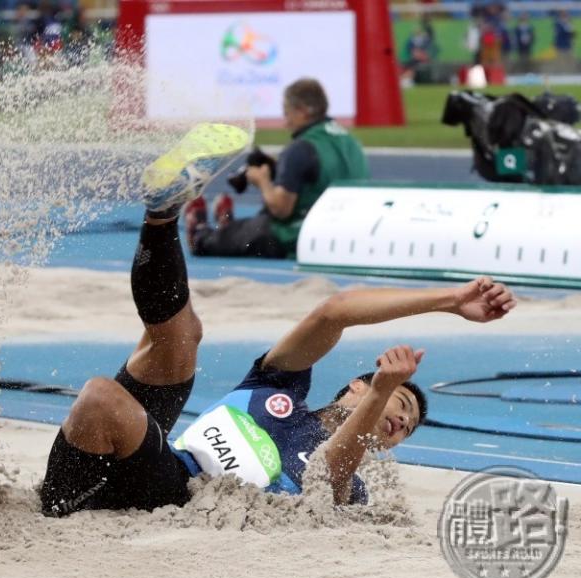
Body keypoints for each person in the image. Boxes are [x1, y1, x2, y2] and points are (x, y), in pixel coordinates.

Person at [39, 124, 516, 516]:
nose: (401, 422)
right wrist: (450, 300)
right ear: (353, 386)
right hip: (161, 456)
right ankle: (161, 213)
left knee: (101, 396)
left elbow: (329, 475)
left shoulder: (351, 483)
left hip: (172, 492)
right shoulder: (279, 386)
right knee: (181, 336)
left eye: (406, 428)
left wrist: (382, 391)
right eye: (401, 405)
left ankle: (59, 506)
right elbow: (334, 312)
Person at [185, 79, 368, 259]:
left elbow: (281, 209)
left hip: (300, 235)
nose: (285, 122)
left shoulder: (301, 148)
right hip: (347, 232)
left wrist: (262, 181)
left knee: (257, 228)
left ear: (302, 111)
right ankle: (228, 228)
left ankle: (201, 234)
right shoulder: (351, 141)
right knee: (255, 223)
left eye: (286, 113)